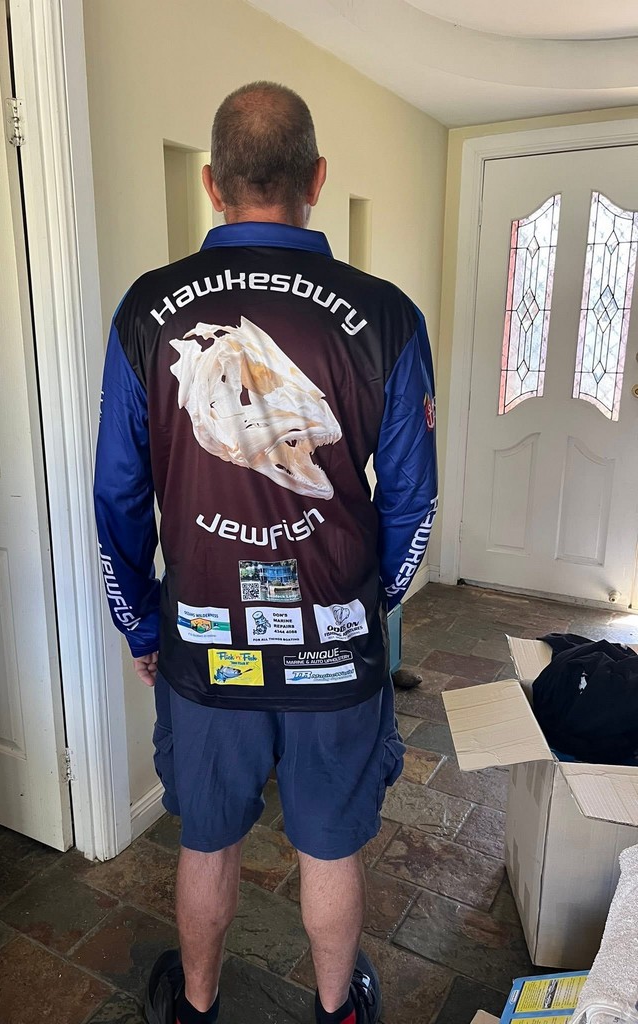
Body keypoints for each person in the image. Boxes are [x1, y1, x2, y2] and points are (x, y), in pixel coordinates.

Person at [94, 82, 437, 1024]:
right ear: (316, 179)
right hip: (335, 643)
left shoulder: (147, 310)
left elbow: (117, 496)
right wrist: (372, 609)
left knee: (206, 841)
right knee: (330, 845)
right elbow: (413, 500)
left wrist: (143, 624)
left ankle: (196, 1005)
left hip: (205, 643)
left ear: (213, 184)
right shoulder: (385, 315)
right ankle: (339, 1009)